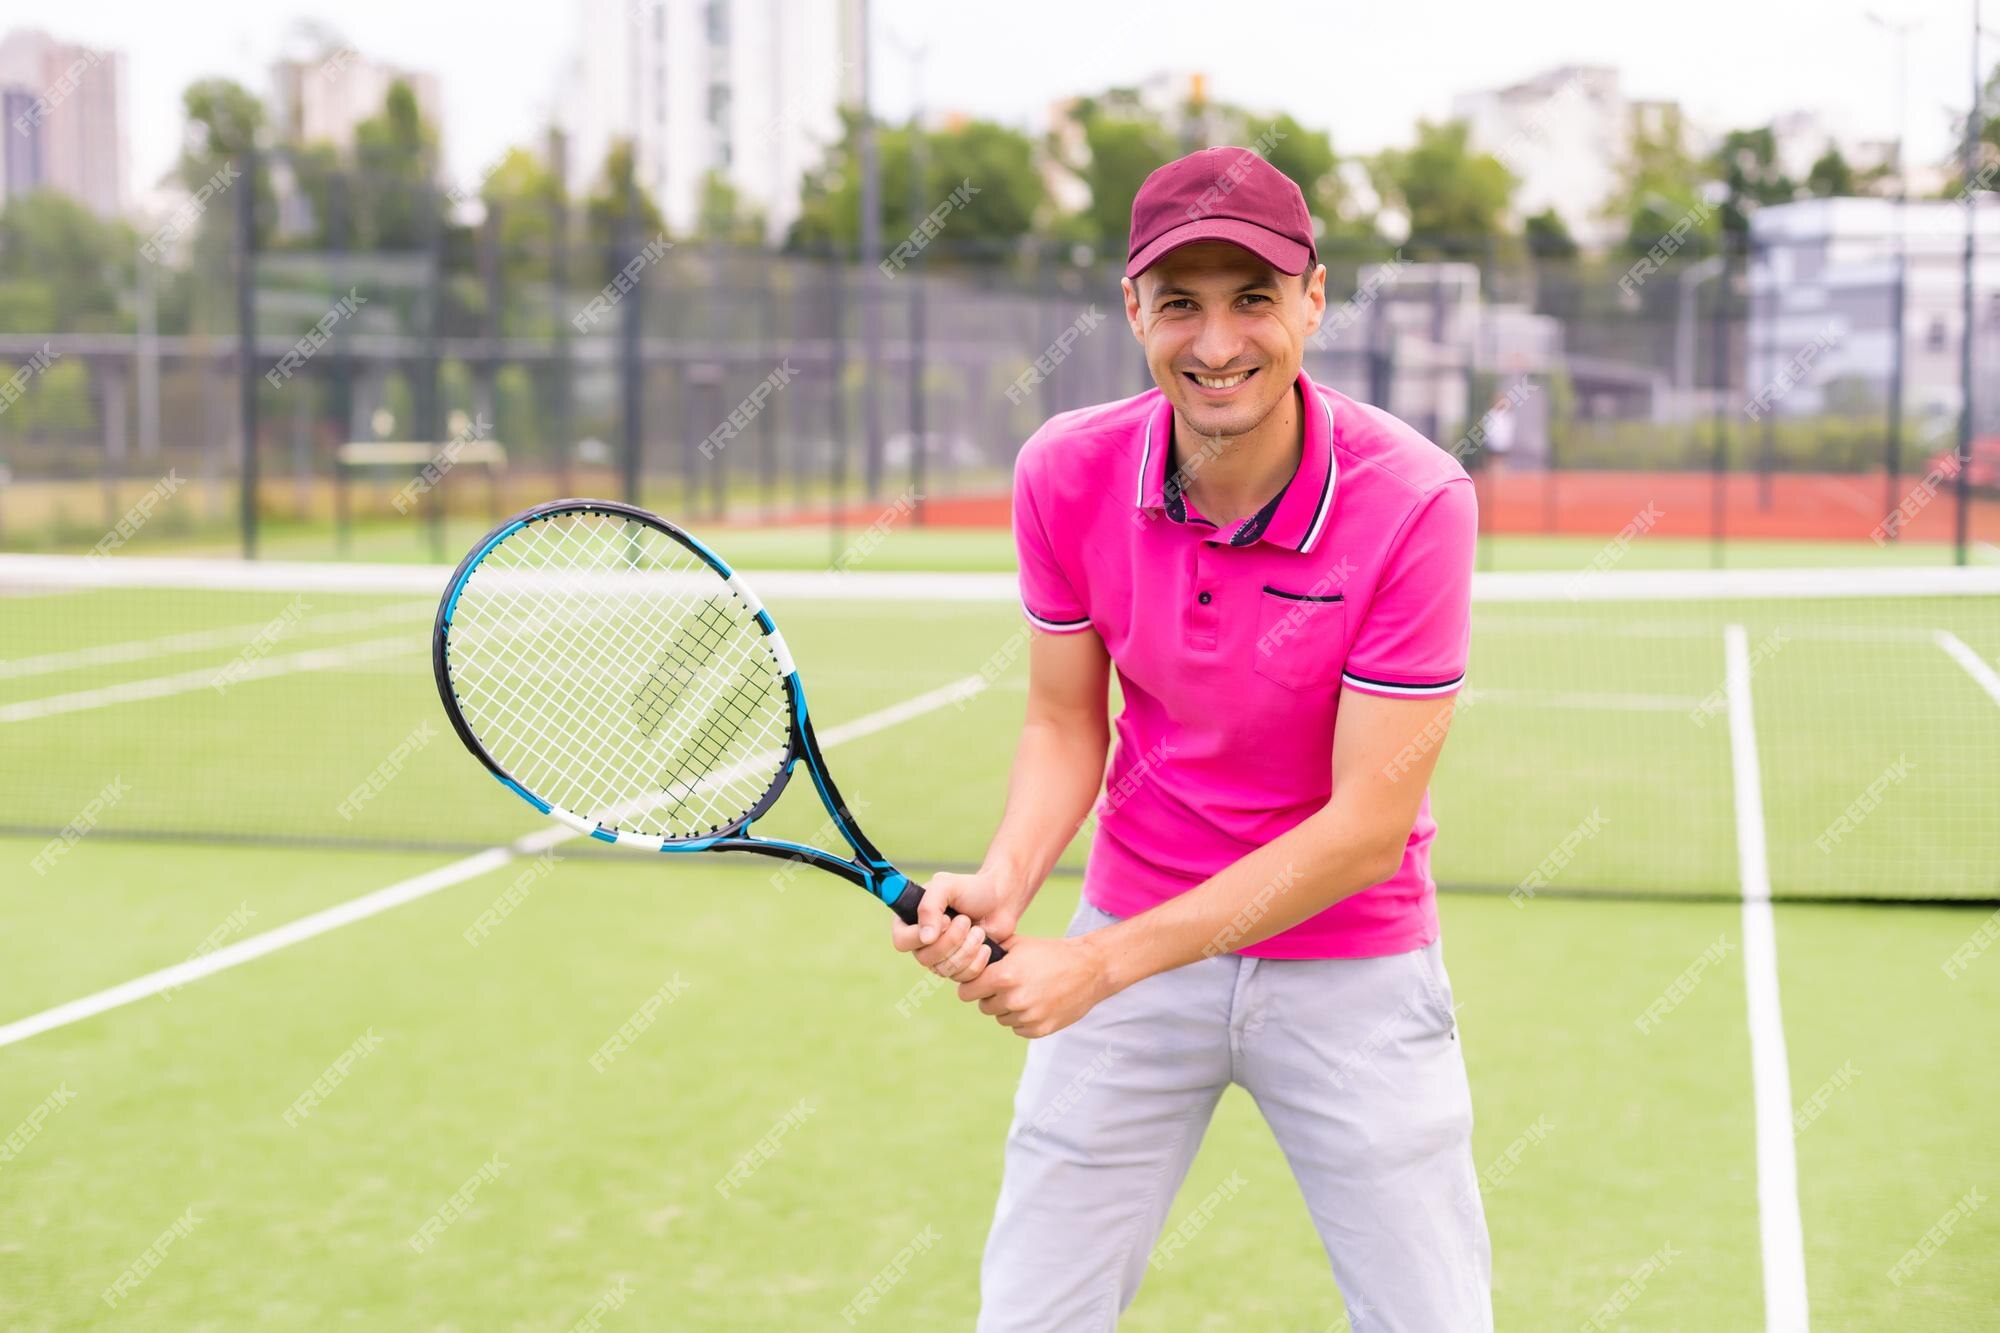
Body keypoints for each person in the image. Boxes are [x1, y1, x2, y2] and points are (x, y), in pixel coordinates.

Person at [890, 146, 1490, 1331]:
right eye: (1179, 303)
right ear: (1132, 311)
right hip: (1129, 920)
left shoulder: (1415, 500)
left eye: (1251, 298)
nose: (1215, 341)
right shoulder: (1063, 472)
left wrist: (1098, 966)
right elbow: (1066, 719)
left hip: (1349, 963)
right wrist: (1007, 881)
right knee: (1028, 1314)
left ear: (1311, 298)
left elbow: (1365, 828)